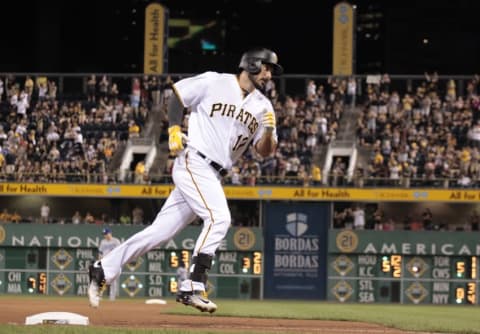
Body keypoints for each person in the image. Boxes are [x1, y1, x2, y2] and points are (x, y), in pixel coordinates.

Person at [88, 47, 282, 313]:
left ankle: (102, 269)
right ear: (251, 64)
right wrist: (174, 128)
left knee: (159, 233)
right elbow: (178, 94)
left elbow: (264, 151)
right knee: (219, 218)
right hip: (195, 160)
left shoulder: (264, 106)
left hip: (213, 174)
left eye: (272, 70)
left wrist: (269, 130)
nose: (269, 75)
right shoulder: (216, 81)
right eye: (267, 67)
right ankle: (194, 284)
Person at [98, 228, 121, 301]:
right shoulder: (103, 242)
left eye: (106, 234)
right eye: (104, 234)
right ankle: (100, 295)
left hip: (113, 262)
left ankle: (112, 297)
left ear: (110, 233)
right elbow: (100, 252)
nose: (105, 235)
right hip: (105, 262)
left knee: (113, 280)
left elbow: (120, 251)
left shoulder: (116, 241)